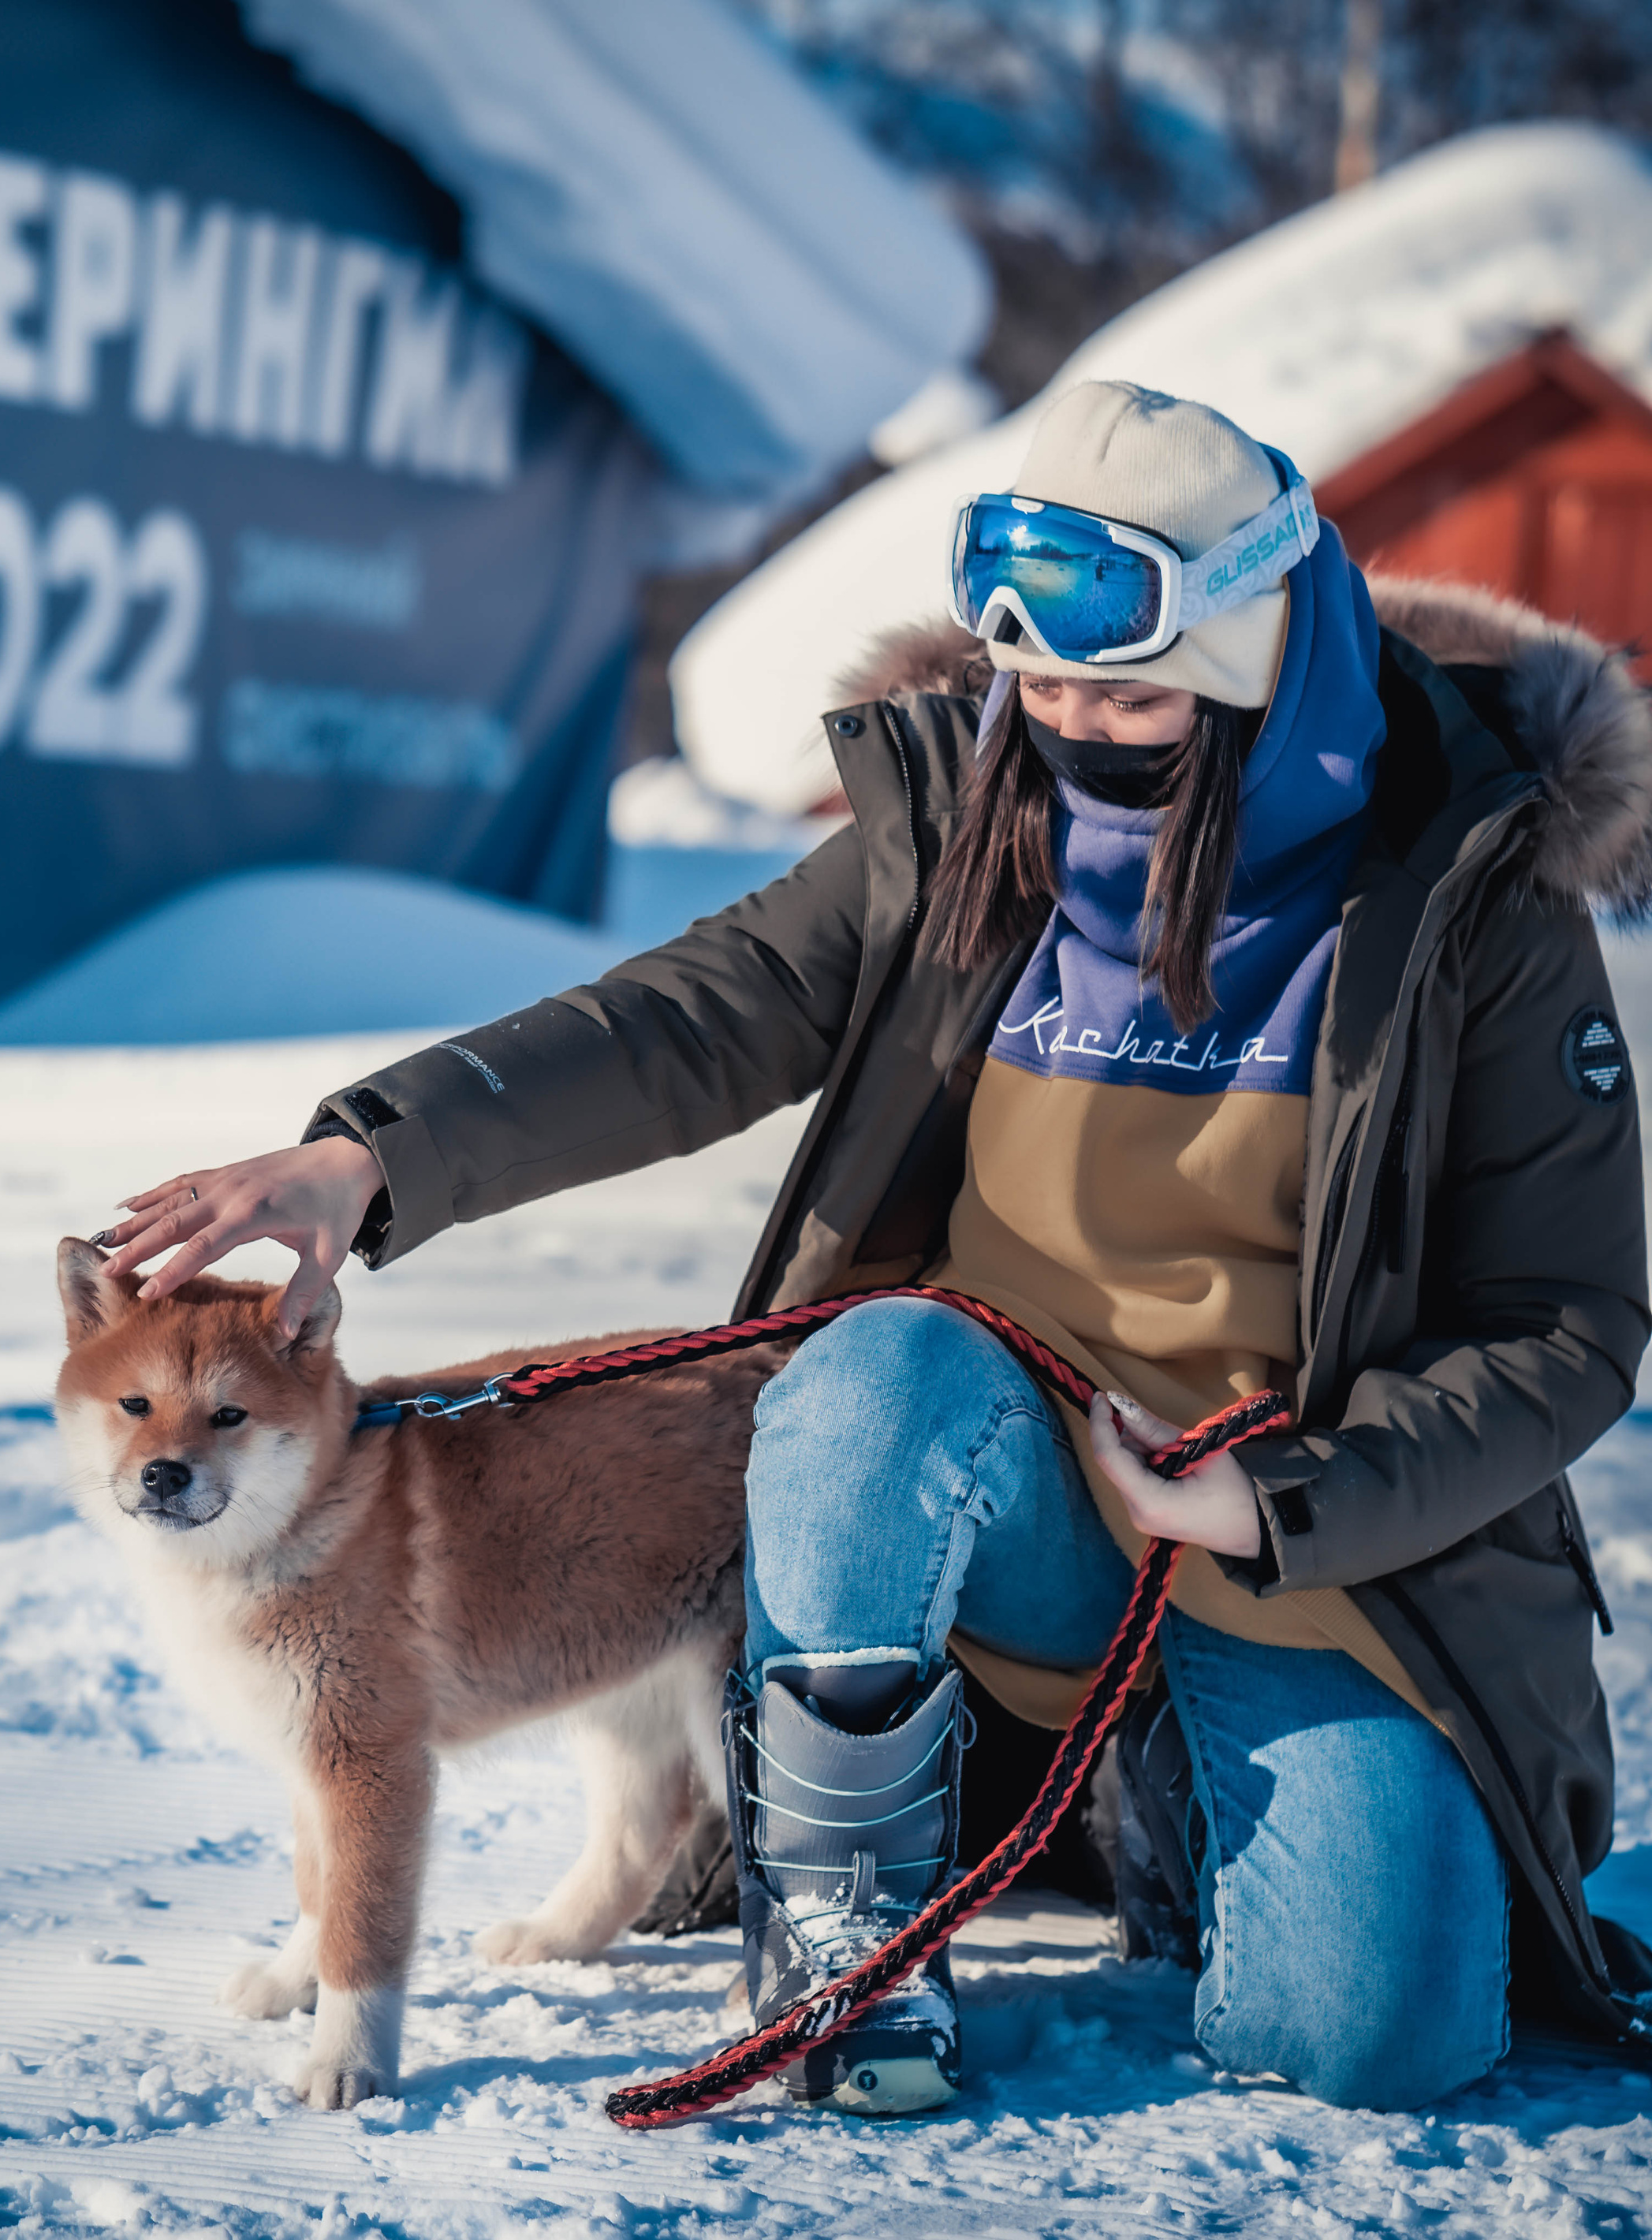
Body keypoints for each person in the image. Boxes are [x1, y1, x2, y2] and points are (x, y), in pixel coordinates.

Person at [94, 382, 1652, 2115]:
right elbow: (682, 1018)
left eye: (1120, 693)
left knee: (1374, 2037)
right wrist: (363, 1160)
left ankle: (1168, 1789)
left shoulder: (1466, 893)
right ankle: (848, 1941)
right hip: (986, 1473)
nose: (1062, 731)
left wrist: (1283, 1495)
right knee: (856, 1366)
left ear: (1257, 668)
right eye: (1032, 686)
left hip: (1296, 1528)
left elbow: (1561, 1323)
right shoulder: (966, 817)